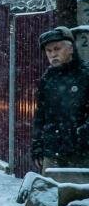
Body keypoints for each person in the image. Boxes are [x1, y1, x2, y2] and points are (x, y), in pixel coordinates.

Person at [31, 26, 89, 172]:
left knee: (80, 192)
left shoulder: (85, 75)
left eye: (57, 49)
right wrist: (37, 146)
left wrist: (82, 133)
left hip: (82, 153)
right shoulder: (47, 79)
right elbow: (41, 115)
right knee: (51, 192)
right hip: (52, 151)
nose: (52, 55)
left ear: (70, 49)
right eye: (48, 51)